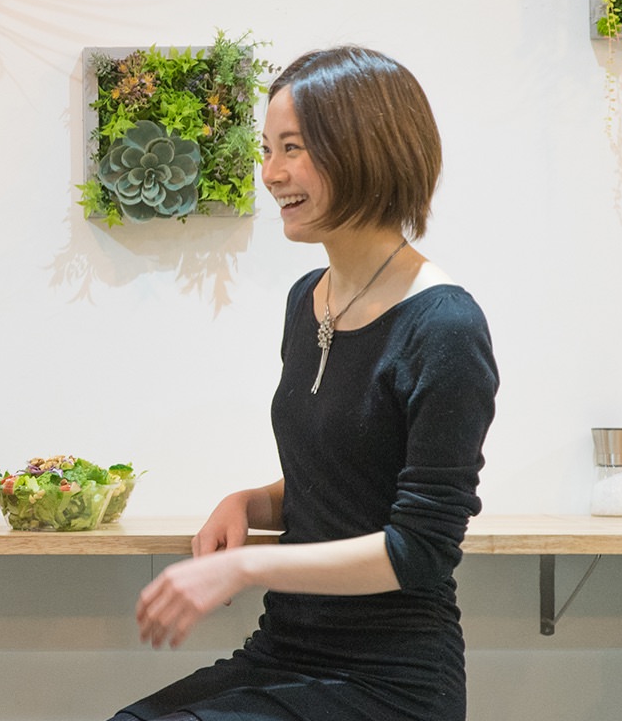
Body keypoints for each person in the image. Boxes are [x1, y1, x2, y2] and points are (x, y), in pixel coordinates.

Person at [115, 46, 499, 721]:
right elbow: (347, 477)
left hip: (392, 681)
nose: (270, 173)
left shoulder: (444, 326)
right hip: (288, 648)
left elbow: (420, 550)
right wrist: (252, 502)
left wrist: (246, 566)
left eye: (292, 148)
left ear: (365, 148)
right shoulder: (307, 299)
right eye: (267, 150)